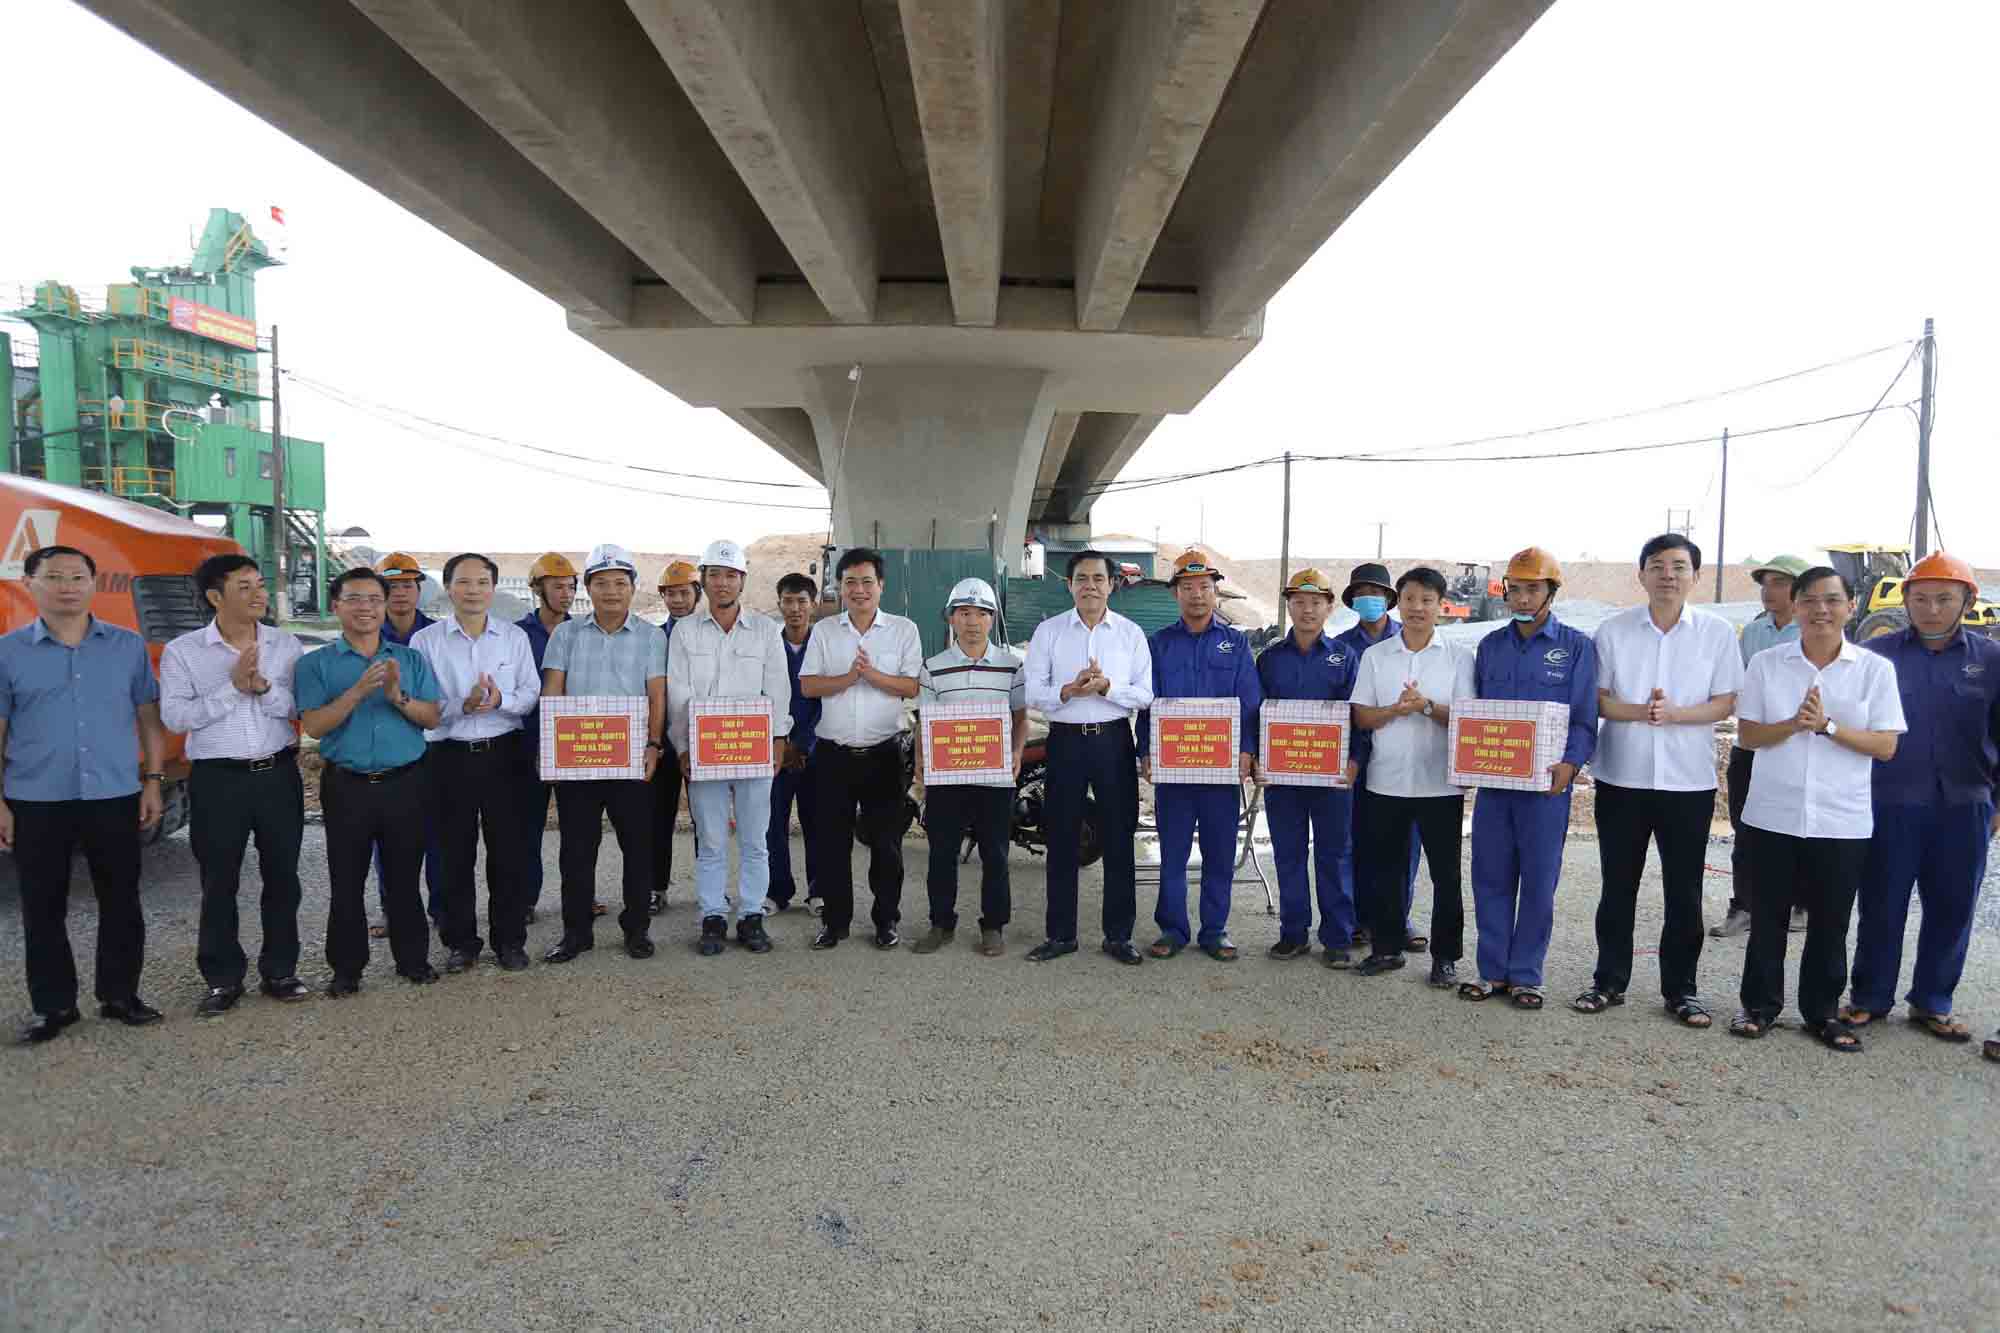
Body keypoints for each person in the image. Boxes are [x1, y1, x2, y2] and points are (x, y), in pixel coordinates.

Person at [1728, 566, 1903, 1050]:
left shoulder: (1873, 670)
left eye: (1831, 600)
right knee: (1768, 918)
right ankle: (1759, 1007)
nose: (1820, 610)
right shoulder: (1767, 664)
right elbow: (1748, 736)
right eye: (1810, 600)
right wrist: (1793, 723)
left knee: (1830, 921)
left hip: (1840, 819)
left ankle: (1822, 1013)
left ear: (1849, 606)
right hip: (1772, 815)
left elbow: (1886, 745)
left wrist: (1827, 727)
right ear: (1796, 605)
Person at [1, 545, 167, 1043]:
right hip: (36, 797)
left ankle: (120, 995)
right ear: (30, 583)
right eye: (54, 577)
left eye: (78, 576)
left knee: (120, 900)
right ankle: (53, 1007)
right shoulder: (8, 651)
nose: (67, 586)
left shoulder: (126, 646)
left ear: (94, 584)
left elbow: (148, 719)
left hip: (113, 793)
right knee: (42, 904)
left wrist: (154, 781)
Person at [1575, 534, 1742, 1029]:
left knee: (1684, 891)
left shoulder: (1715, 633)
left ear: (1694, 574)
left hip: (1687, 783)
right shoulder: (1613, 630)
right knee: (1617, 886)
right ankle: (1608, 981)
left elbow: (1725, 701)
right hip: (1621, 777)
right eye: (1657, 565)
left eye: (1678, 566)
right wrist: (1643, 712)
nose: (1667, 574)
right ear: (1641, 574)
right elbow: (1598, 699)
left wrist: (1677, 714)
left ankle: (1681, 990)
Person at [1843, 551, 2000, 1045]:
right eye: (1921, 598)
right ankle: (1870, 996)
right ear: (1906, 600)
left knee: (1953, 906)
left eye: (1944, 598)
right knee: (1882, 902)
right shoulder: (1879, 655)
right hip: (1890, 801)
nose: (1932, 608)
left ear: (1966, 602)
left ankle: (1933, 1000)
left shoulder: (1991, 661)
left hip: (1967, 803)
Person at [159, 553, 308, 1018]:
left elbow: (297, 707)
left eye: (260, 584)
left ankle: (280, 970)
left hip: (277, 774)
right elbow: (176, 717)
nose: (259, 594)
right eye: (244, 587)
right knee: (218, 881)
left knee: (283, 877)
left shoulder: (286, 645)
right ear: (214, 597)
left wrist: (261, 687)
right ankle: (222, 978)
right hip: (217, 780)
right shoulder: (184, 652)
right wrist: (231, 689)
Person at [296, 567, 445, 995]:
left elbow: (432, 717)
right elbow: (316, 726)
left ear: (385, 606)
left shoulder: (410, 659)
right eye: (355, 598)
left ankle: (412, 960)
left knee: (404, 877)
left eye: (374, 599)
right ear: (336, 605)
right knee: (347, 880)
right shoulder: (316, 664)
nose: (366, 607)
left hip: (406, 782)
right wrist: (357, 693)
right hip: (348, 786)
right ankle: (347, 969)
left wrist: (397, 696)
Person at [1462, 548, 1598, 1010]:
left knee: (1539, 881)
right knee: (1490, 877)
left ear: (1551, 592)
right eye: (1514, 589)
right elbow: (1476, 716)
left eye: (1532, 589)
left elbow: (1585, 717)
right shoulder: (1489, 647)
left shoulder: (1577, 647)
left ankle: (1526, 975)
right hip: (1496, 787)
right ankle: (1491, 971)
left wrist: (1571, 764)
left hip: (1545, 788)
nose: (1522, 598)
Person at [1022, 549, 1153, 965]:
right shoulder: (1050, 632)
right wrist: (1069, 691)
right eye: (1082, 578)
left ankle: (1118, 936)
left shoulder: (1130, 634)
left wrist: (1107, 687)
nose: (1090, 585)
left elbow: (1145, 693)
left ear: (1112, 584)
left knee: (1118, 838)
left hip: (1113, 741)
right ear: (1069, 584)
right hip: (1066, 741)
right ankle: (1061, 935)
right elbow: (1033, 693)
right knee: (1061, 837)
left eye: (1098, 578)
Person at [539, 543, 669, 963]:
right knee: (576, 850)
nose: (611, 591)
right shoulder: (566, 634)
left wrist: (653, 743)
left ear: (632, 588)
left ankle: (636, 930)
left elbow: (657, 695)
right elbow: (553, 690)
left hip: (630, 759)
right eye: (601, 583)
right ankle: (576, 933)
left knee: (637, 847)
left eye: (619, 583)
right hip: (578, 759)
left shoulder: (651, 637)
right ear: (587, 589)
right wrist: (550, 748)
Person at [412, 553, 540, 973]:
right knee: (452, 855)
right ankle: (461, 942)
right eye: (464, 583)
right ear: (449, 588)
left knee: (509, 852)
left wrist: (500, 700)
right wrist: (459, 706)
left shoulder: (513, 638)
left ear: (494, 588)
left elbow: (530, 693)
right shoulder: (426, 642)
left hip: (504, 755)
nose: (473, 591)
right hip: (448, 758)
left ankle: (510, 941)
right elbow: (423, 704)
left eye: (482, 582)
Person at [1349, 567, 1475, 986]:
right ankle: (1386, 948)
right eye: (1409, 599)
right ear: (1397, 603)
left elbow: (1467, 720)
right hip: (1385, 781)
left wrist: (1425, 706)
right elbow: (1362, 716)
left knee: (1445, 873)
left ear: (1441, 606)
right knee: (1384, 868)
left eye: (1426, 600)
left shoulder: (1459, 657)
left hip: (1440, 783)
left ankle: (1445, 957)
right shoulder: (1375, 656)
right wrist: (1395, 711)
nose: (1417, 608)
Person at [668, 540, 793, 956]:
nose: (722, 583)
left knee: (756, 838)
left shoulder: (765, 631)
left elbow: (778, 688)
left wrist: (778, 739)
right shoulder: (685, 632)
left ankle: (752, 915)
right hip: (705, 753)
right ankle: (713, 916)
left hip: (754, 750)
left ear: (742, 580)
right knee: (712, 838)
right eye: (715, 575)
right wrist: (684, 745)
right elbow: (677, 692)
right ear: (703, 580)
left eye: (731, 575)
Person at [1137, 549, 1262, 962]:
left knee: (1219, 852)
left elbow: (1249, 702)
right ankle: (1172, 929)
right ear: (1176, 594)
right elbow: (1147, 704)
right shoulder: (1159, 645)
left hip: (1220, 773)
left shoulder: (1237, 644)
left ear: (1216, 593)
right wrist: (1146, 753)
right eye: (1187, 587)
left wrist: (1246, 750)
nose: (1196, 595)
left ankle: (1214, 929)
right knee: (1172, 851)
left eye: (1204, 587)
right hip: (1174, 771)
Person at [800, 547, 923, 950]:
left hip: (884, 754)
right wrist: (848, 677)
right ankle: (835, 924)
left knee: (886, 845)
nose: (858, 589)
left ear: (881, 586)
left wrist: (871, 675)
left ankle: (886, 921)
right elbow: (809, 685)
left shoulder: (904, 630)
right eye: (850, 582)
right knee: (832, 844)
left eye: (867, 581)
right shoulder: (825, 631)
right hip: (834, 755)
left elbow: (911, 686)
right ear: (839, 586)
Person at [913, 578, 1026, 958]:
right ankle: (940, 923)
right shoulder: (933, 668)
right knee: (942, 852)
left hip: (995, 779)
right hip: (947, 778)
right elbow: (923, 725)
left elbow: (1021, 718)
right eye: (964, 613)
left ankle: (993, 926)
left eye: (981, 613)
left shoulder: (1012, 666)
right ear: (951, 618)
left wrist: (1015, 753)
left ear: (992, 620)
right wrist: (922, 773)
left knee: (995, 853)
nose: (972, 621)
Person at [1256, 569, 1364, 964]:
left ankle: (1337, 938)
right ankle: (1293, 932)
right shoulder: (1269, 659)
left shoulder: (1345, 657)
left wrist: (1354, 761)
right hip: (1283, 779)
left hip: (1333, 778)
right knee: (1288, 853)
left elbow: (1358, 715)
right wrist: (1258, 762)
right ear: (1289, 605)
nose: (1307, 609)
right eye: (1299, 602)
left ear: (1329, 607)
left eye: (1316, 602)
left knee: (1334, 856)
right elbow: (1257, 715)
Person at [1713, 553, 1809, 939]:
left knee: (1798, 829)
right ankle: (1744, 906)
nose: (1769, 591)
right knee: (1746, 829)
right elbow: (1742, 690)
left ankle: (1801, 904)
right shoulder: (1753, 633)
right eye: (1766, 583)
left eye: (1779, 583)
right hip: (1751, 748)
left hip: (1796, 749)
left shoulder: (1813, 632)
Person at [1335, 562, 1422, 956]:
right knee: (1355, 840)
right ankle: (1357, 919)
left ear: (1390, 599)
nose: (1369, 600)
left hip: (1402, 758)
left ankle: (1398, 919)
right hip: (1356, 758)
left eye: (1376, 593)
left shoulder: (1410, 642)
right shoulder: (1340, 647)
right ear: (1352, 601)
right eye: (1360, 594)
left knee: (1403, 843)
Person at [369, 551, 440, 937]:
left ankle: (441, 908)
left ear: (418, 590)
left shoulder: (436, 636)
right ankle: (392, 908)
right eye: (392, 586)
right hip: (389, 751)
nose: (400, 594)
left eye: (408, 585)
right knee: (388, 838)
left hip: (435, 748)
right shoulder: (366, 638)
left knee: (437, 835)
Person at [514, 551, 586, 923]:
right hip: (529, 745)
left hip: (577, 745)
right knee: (527, 827)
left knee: (579, 830)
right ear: (538, 588)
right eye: (557, 586)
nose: (566, 593)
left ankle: (580, 899)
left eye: (571, 586)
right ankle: (525, 900)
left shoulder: (583, 632)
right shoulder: (517, 635)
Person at [767, 572, 822, 913]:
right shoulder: (768, 647)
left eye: (802, 601)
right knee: (773, 823)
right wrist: (781, 742)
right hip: (775, 751)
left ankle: (818, 891)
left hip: (814, 752)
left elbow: (829, 699)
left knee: (818, 823)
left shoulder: (825, 647)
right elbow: (762, 696)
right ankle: (776, 891)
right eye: (788, 601)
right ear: (780, 605)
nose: (795, 608)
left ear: (812, 605)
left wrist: (804, 744)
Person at [650, 559, 702, 915]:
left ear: (697, 594)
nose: (679, 599)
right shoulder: (654, 638)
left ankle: (709, 890)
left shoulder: (709, 635)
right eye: (671, 593)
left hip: (705, 741)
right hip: (663, 744)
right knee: (658, 817)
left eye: (685, 592)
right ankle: (656, 887)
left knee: (707, 819)